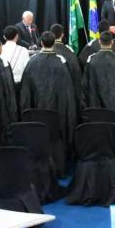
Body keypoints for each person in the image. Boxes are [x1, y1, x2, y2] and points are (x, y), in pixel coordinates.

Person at [20, 31, 77, 173]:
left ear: (41, 43)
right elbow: (68, 92)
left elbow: (26, 93)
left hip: (36, 113)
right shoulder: (61, 62)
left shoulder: (32, 62)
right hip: (57, 114)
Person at [81, 31, 115, 169]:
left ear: (99, 42)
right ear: (112, 43)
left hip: (96, 104)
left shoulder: (91, 60)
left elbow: (85, 87)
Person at [50, 23, 83, 95]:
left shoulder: (46, 52)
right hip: (69, 92)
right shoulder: (70, 51)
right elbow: (77, 72)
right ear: (62, 35)